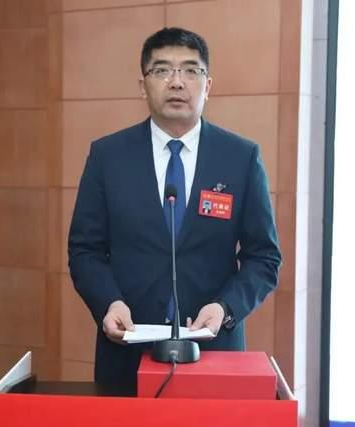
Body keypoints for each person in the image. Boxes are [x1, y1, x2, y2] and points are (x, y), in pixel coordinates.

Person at [68, 27, 281, 387]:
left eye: (191, 70)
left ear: (208, 86)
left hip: (214, 354)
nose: (177, 82)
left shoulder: (240, 158)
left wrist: (226, 308)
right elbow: (84, 250)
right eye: (162, 70)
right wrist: (109, 303)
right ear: (143, 85)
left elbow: (264, 257)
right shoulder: (108, 156)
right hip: (127, 354)